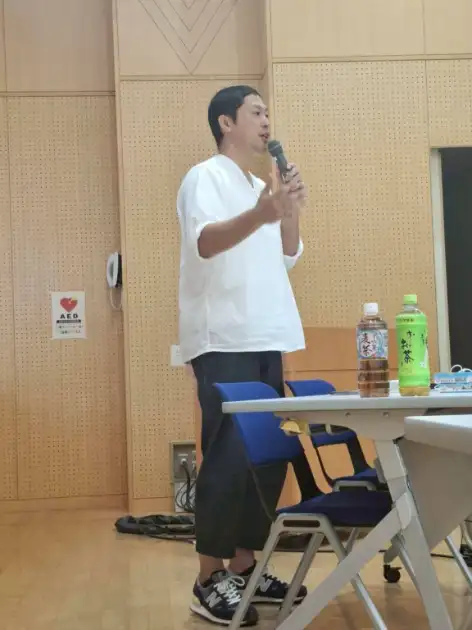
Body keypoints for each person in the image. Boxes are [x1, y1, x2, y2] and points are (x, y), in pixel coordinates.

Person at [177, 85, 307, 626]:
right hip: (223, 338)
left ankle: (246, 567)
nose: (266, 121)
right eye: (256, 112)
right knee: (229, 457)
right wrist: (262, 212)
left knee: (267, 458)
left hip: (266, 334)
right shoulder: (204, 177)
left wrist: (287, 209)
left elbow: (287, 254)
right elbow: (205, 243)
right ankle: (209, 577)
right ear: (226, 122)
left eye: (268, 112)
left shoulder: (261, 187)